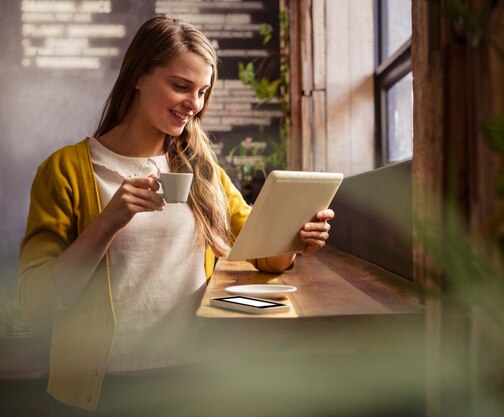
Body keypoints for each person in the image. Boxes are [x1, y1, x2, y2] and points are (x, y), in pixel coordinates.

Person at [18, 15, 334, 415]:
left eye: (202, 91)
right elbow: (38, 301)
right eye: (181, 86)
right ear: (138, 76)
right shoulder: (65, 170)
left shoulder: (202, 170)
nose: (195, 104)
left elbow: (264, 255)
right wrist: (108, 223)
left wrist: (296, 238)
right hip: (102, 388)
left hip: (196, 376)